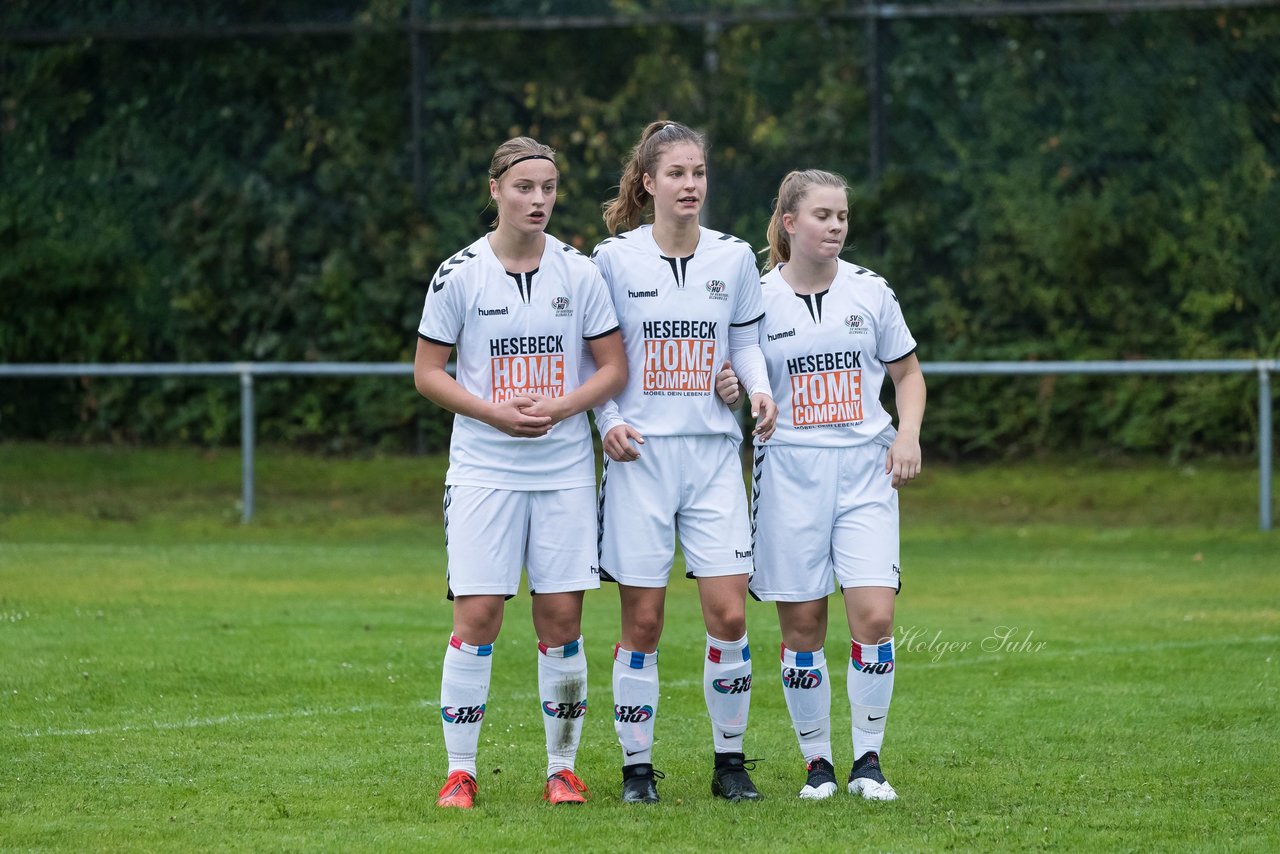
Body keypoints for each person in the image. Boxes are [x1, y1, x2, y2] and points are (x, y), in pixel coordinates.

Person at [414, 137, 628, 809]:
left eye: (549, 189)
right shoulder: (459, 274)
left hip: (563, 471)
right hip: (483, 471)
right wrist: (492, 414)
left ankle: (562, 769)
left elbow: (614, 368)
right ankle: (460, 772)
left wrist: (562, 407)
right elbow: (427, 374)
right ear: (496, 190)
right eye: (525, 188)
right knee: (478, 615)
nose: (539, 200)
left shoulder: (579, 272)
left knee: (561, 617)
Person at [721, 169, 925, 801]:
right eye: (823, 215)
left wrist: (907, 436)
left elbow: (908, 375)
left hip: (866, 473)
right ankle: (819, 766)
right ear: (789, 223)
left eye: (842, 215)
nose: (836, 225)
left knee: (875, 615)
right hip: (789, 476)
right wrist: (732, 389)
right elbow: (738, 376)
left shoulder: (872, 292)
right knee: (803, 626)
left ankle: (868, 761)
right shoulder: (755, 299)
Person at [590, 120, 778, 804]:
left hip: (712, 459)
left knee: (729, 615)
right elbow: (596, 357)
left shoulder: (732, 260)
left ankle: (730, 763)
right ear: (649, 183)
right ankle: (637, 770)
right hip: (640, 459)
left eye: (698, 172)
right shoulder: (612, 260)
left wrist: (753, 389)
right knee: (642, 623)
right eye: (676, 173)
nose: (690, 184)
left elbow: (747, 346)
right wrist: (607, 422)